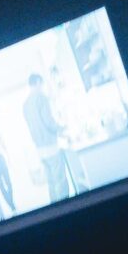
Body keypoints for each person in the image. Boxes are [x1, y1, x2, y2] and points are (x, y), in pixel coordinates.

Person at [21, 72, 78, 202]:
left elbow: (35, 125)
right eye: (42, 84)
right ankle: (66, 206)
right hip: (50, 145)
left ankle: (54, 206)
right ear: (37, 82)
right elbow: (48, 122)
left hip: (39, 148)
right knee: (60, 179)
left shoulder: (25, 104)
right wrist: (62, 128)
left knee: (51, 181)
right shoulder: (41, 98)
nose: (42, 87)